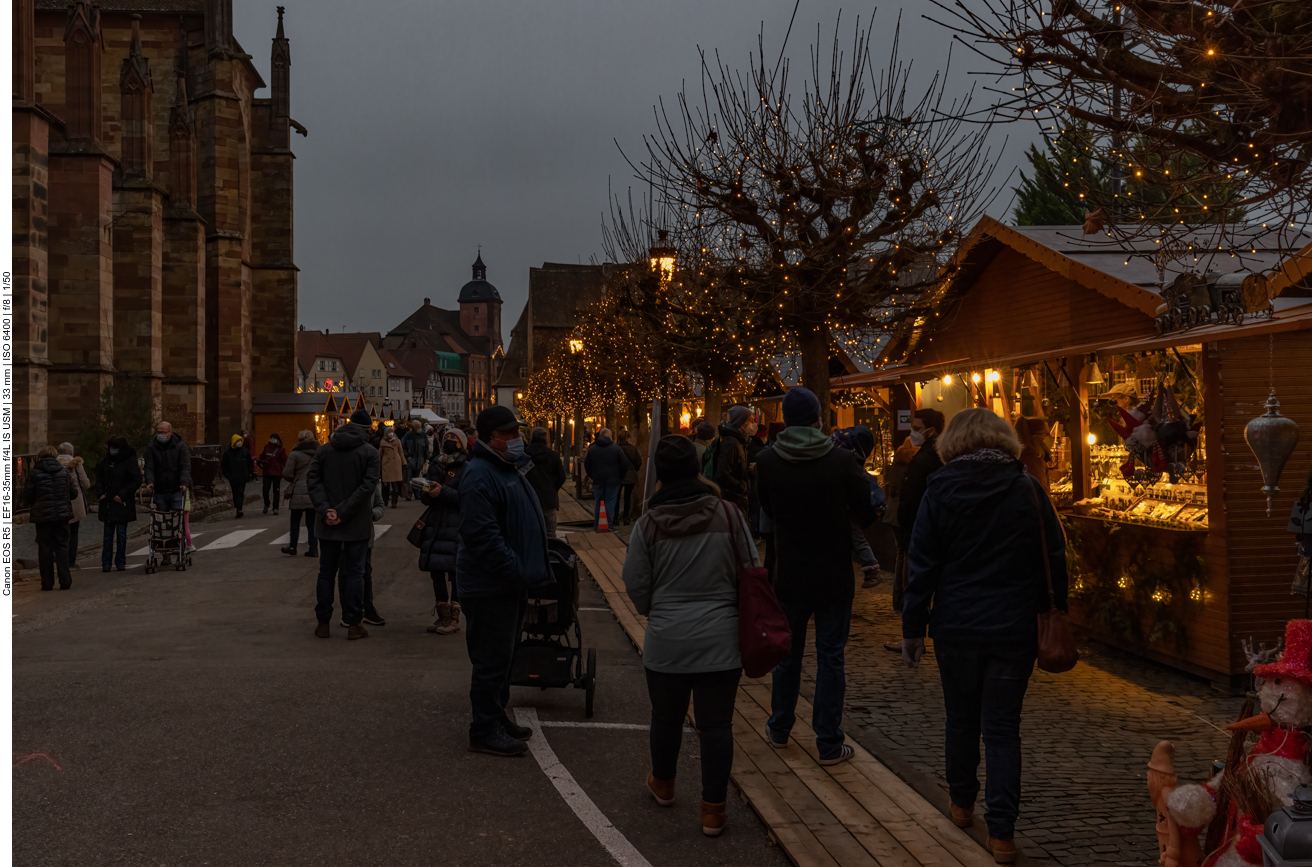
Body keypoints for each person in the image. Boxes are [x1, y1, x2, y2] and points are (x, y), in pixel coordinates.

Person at [901, 408, 1068, 865]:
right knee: (1002, 729)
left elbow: (923, 564)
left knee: (960, 719)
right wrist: (1056, 613)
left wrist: (913, 626)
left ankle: (961, 804)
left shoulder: (939, 489)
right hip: (1013, 627)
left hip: (956, 624)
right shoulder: (1026, 488)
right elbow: (1054, 556)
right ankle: (1003, 834)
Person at [623, 436, 757, 837]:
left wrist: (655, 609)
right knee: (716, 726)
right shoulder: (730, 516)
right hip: (720, 638)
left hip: (668, 638)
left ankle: (663, 784)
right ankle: (713, 809)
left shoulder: (648, 524)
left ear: (660, 474)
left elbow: (635, 583)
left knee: (665, 717)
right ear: (698, 468)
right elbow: (751, 570)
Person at [756, 387, 880, 766]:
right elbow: (867, 509)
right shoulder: (842, 461)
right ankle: (828, 742)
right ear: (817, 419)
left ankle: (779, 726)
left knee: (787, 655)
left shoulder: (767, 460)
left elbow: (766, 510)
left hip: (789, 571)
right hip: (833, 573)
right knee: (830, 658)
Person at [457, 405, 551, 757]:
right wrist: (515, 569)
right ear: (491, 438)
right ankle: (483, 729)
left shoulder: (505, 467)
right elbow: (483, 539)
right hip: (491, 586)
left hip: (507, 583)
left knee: (504, 657)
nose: (517, 439)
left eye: (518, 433)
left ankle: (497, 717)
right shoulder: (481, 474)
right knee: (490, 660)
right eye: (510, 434)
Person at [307, 408, 381, 640]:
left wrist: (326, 509)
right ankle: (354, 622)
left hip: (326, 522)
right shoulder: (369, 453)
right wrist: (343, 511)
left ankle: (323, 622)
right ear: (367, 431)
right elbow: (367, 487)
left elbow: (313, 480)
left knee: (326, 572)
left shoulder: (325, 449)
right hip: (356, 523)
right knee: (355, 574)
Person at [888, 408, 945, 651]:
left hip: (917, 528)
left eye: (917, 428)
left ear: (931, 431)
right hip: (915, 526)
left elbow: (915, 498)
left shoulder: (927, 459)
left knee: (916, 578)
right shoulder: (930, 455)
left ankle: (912, 633)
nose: (913, 432)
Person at [420, 427, 471, 634]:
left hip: (455, 525)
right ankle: (442, 616)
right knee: (436, 571)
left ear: (462, 444)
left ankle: (454, 618)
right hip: (435, 524)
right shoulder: (435, 464)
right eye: (447, 437)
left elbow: (467, 498)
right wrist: (426, 492)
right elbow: (425, 498)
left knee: (455, 571)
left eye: (454, 438)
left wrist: (444, 491)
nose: (450, 440)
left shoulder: (467, 468)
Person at [26, 446, 78, 590]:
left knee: (45, 548)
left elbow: (28, 496)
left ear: (40, 457)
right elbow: (73, 493)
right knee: (62, 546)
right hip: (62, 515)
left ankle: (47, 582)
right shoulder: (63, 472)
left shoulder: (34, 473)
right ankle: (65, 580)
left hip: (43, 516)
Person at [340, 480, 387, 628]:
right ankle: (347, 612)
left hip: (365, 536)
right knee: (345, 573)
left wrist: (371, 514)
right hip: (343, 536)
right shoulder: (342, 482)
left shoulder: (369, 483)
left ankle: (368, 608)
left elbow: (380, 506)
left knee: (366, 574)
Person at [97, 437, 141, 572]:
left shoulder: (129, 461)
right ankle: (106, 562)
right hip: (108, 502)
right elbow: (99, 478)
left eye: (115, 448)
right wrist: (100, 493)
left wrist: (122, 494)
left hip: (122, 502)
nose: (112, 450)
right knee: (107, 534)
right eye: (111, 448)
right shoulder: (106, 461)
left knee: (121, 534)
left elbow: (136, 480)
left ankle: (120, 561)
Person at [280, 431, 319, 557]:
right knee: (311, 522)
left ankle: (292, 547)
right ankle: (313, 548)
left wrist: (294, 480)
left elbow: (287, 473)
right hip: (313, 491)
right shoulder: (319, 453)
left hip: (298, 492)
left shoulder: (295, 454)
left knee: (295, 521)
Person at [583, 426, 629, 532]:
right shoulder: (616, 448)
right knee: (610, 502)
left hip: (598, 480)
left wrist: (592, 475)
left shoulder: (593, 449)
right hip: (613, 480)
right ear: (610, 437)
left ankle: (597, 525)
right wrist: (620, 476)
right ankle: (608, 524)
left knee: (598, 502)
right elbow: (624, 464)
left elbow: (587, 464)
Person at [710, 406, 755, 511]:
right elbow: (722, 473)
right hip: (732, 500)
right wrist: (742, 487)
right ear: (741, 422)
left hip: (737, 499)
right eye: (751, 420)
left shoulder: (740, 441)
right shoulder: (731, 442)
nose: (753, 424)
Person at [524, 427, 567, 539]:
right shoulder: (553, 456)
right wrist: (552, 488)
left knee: (531, 534)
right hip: (548, 500)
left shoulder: (525, 456)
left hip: (529, 500)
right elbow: (561, 477)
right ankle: (551, 554)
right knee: (550, 533)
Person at [142, 420, 191, 514]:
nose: (160, 435)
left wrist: (184, 482)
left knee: (177, 518)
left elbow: (185, 466)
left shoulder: (180, 446)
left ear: (170, 432)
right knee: (162, 518)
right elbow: (149, 467)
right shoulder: (152, 447)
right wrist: (150, 481)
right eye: (158, 432)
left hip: (177, 489)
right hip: (160, 490)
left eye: (163, 432)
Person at [56, 443, 91, 569]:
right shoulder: (76, 464)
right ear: (71, 452)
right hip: (75, 501)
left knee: (59, 533)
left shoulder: (54, 463)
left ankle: (59, 560)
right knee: (74, 532)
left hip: (58, 502)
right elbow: (85, 483)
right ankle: (71, 561)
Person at [1015, 417, 1054, 492]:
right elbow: (1041, 490)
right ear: (1036, 437)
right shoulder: (1033, 460)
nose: (1049, 437)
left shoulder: (1021, 455)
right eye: (1047, 434)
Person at [220, 434, 255, 518]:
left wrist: (249, 472)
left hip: (243, 477)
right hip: (233, 478)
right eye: (237, 441)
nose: (239, 443)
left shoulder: (244, 451)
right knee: (235, 493)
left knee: (240, 492)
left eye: (240, 441)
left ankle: (239, 509)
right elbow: (224, 466)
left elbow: (250, 462)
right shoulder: (228, 453)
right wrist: (229, 476)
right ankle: (237, 507)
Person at [616, 429, 643, 524]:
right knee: (627, 497)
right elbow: (638, 462)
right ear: (627, 438)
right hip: (630, 475)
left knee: (617, 497)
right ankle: (626, 518)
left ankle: (615, 518)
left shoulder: (616, 448)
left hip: (618, 476)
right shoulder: (633, 449)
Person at [257, 432, 288, 515]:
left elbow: (284, 460)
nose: (273, 439)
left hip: (277, 473)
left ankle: (275, 507)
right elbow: (262, 455)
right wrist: (260, 460)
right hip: (267, 472)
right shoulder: (267, 447)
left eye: (275, 438)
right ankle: (266, 504)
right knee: (265, 490)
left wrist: (285, 471)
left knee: (276, 491)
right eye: (272, 438)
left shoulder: (281, 449)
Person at [378, 424, 406, 508]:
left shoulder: (397, 441)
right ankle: (384, 501)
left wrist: (403, 462)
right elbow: (380, 455)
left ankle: (394, 502)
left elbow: (401, 452)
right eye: (389, 432)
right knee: (385, 485)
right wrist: (377, 464)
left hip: (395, 464)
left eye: (391, 431)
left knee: (395, 486)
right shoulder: (382, 442)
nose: (391, 433)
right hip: (386, 465)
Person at [402, 420, 430, 500]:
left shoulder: (423, 435)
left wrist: (427, 458)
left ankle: (417, 493)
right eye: (417, 427)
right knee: (409, 478)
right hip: (410, 460)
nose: (419, 428)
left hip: (420, 460)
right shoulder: (408, 435)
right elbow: (402, 446)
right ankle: (409, 494)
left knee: (417, 479)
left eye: (420, 427)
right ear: (413, 427)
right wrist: (407, 456)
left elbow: (426, 447)